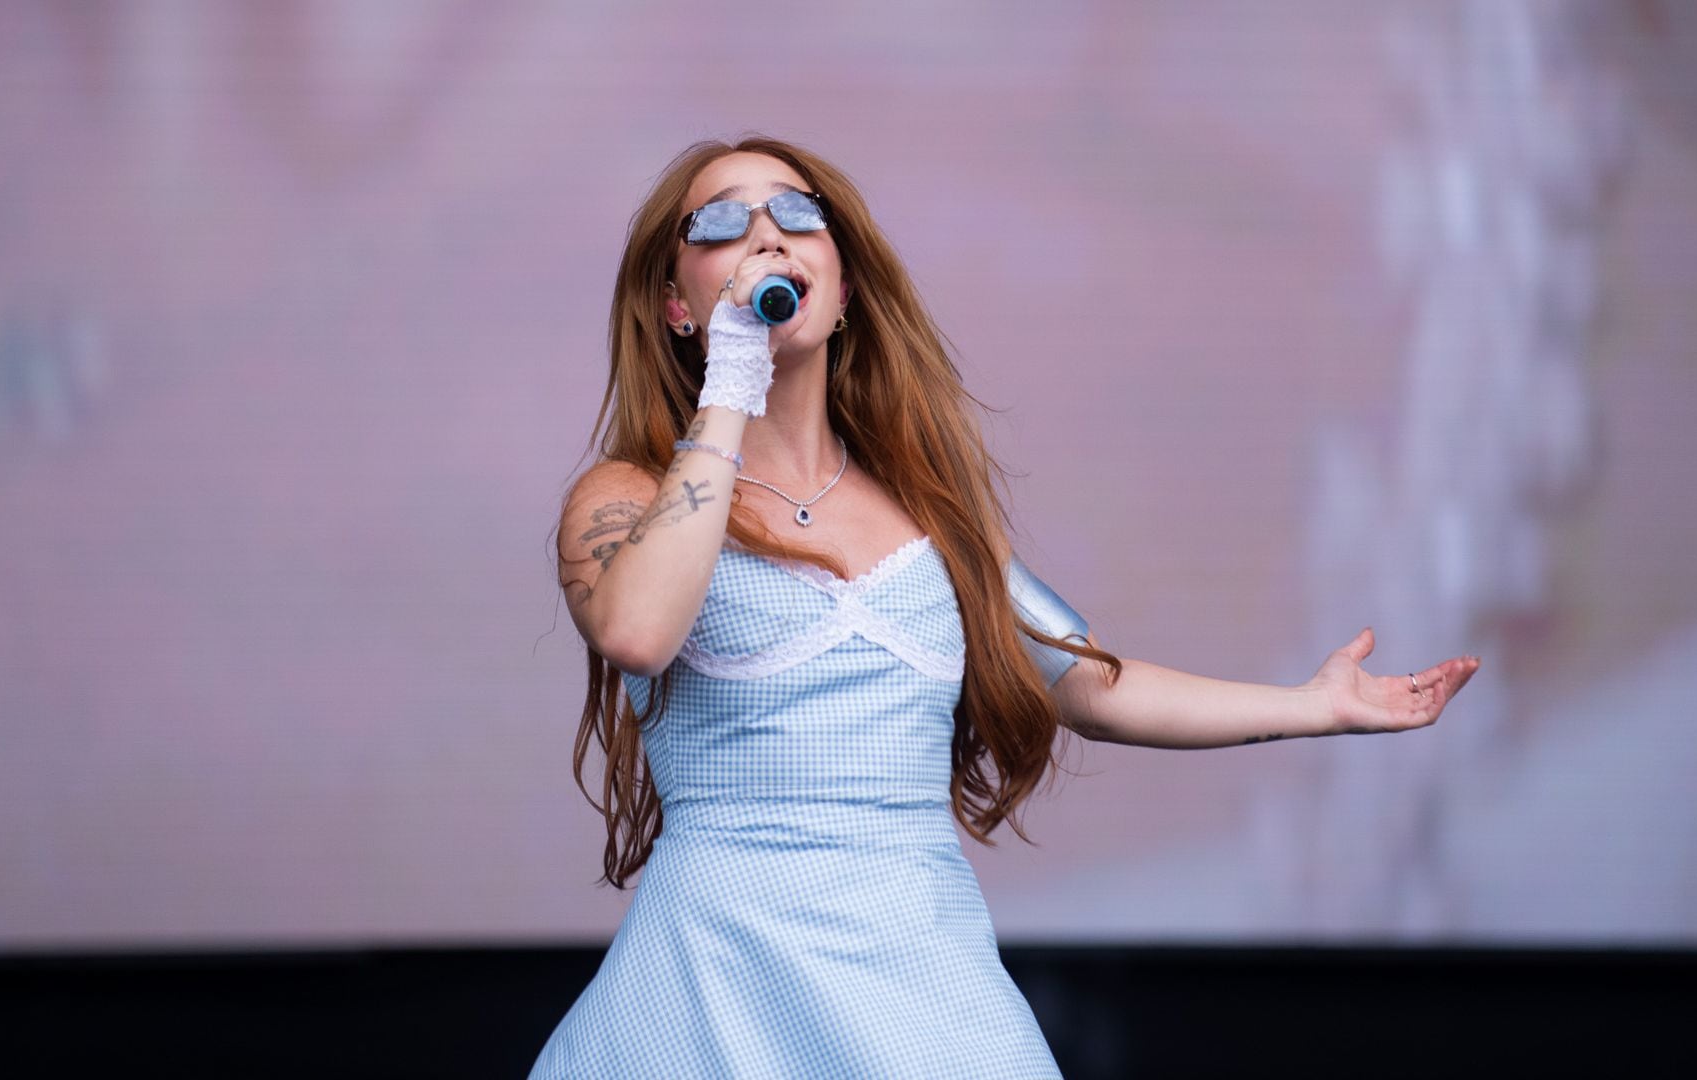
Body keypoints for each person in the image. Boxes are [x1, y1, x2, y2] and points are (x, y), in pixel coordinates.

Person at [536, 135, 1479, 1078]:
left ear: (846, 283)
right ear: (676, 306)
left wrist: (1316, 706)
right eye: (721, 224)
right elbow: (637, 630)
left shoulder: (934, 521)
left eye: (797, 213)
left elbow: (1094, 688)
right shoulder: (626, 496)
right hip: (711, 982)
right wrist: (733, 383)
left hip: (915, 976)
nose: (767, 238)